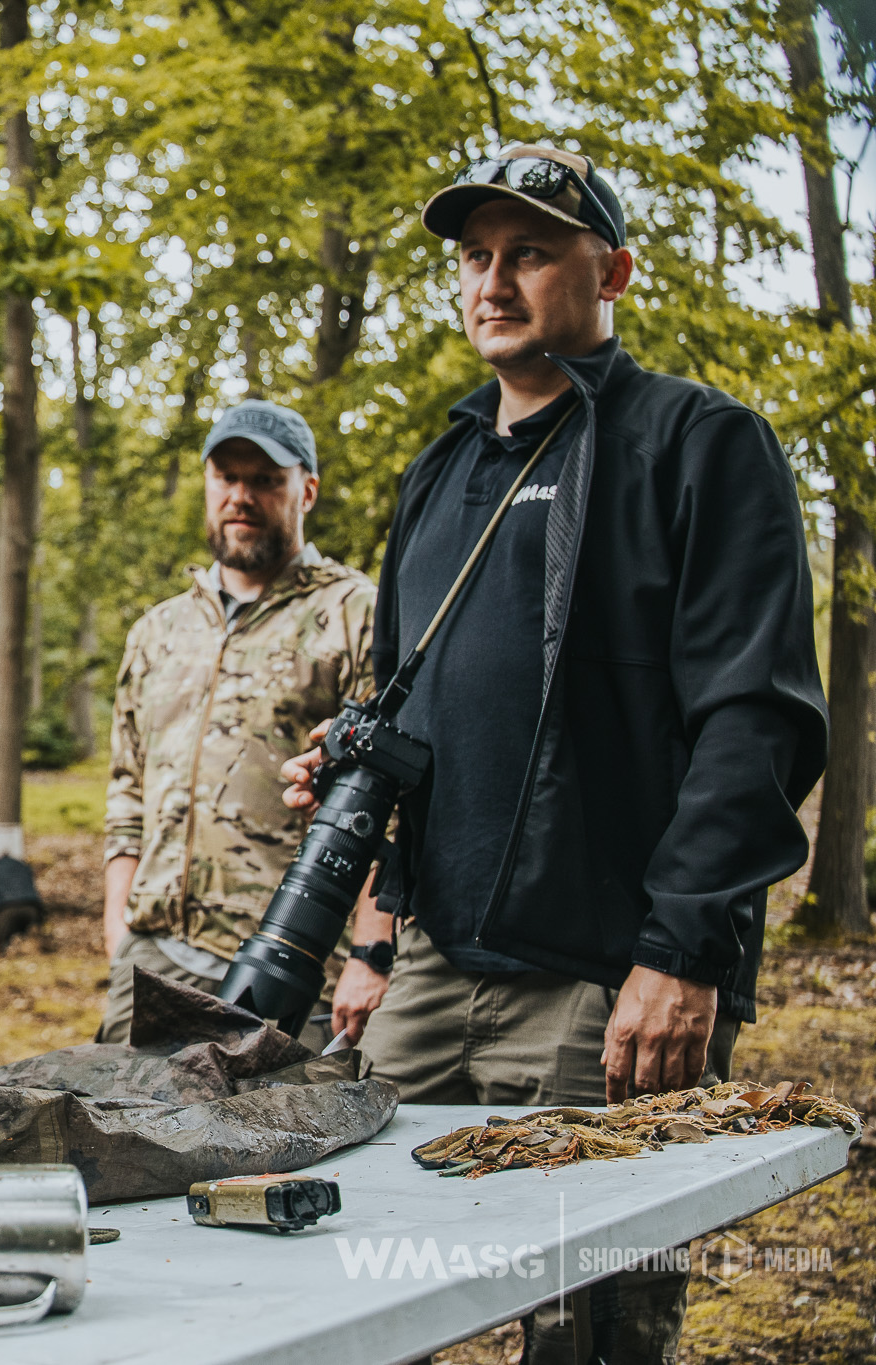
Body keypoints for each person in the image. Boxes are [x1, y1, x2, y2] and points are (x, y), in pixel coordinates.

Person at [286, 145, 826, 1363]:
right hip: (427, 977)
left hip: (604, 986)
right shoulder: (440, 468)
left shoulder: (698, 444)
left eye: (527, 251)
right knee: (356, 1294)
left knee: (594, 1331)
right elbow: (416, 706)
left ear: (611, 270)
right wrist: (375, 924)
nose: (491, 280)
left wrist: (679, 953)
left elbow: (756, 721)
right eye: (474, 257)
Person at [98, 400, 376, 1046]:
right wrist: (118, 928)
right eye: (226, 477)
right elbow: (126, 790)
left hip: (290, 959)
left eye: (265, 480)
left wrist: (370, 951)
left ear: (306, 489)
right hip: (153, 959)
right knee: (128, 1135)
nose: (241, 496)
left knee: (283, 1142)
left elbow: (384, 809)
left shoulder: (355, 614)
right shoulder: (158, 631)